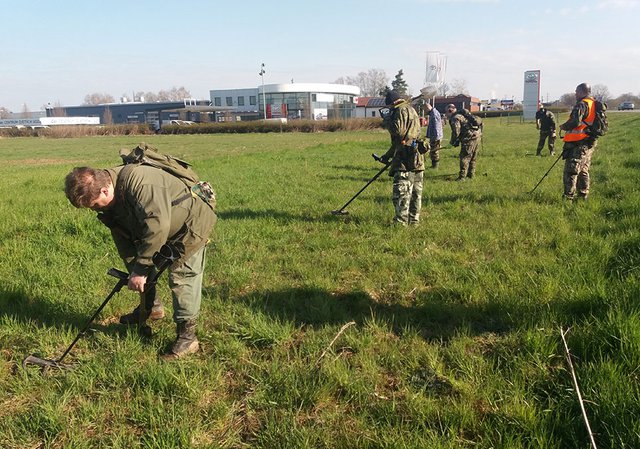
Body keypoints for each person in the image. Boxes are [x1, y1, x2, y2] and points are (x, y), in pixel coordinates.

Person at [64, 159, 216, 360]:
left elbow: (157, 227)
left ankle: (188, 338)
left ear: (104, 191)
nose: (94, 210)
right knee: (139, 265)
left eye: (94, 206)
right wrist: (134, 267)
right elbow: (122, 235)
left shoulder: (141, 183)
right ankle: (151, 308)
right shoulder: (110, 196)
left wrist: (141, 269)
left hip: (190, 224)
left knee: (182, 276)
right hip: (160, 225)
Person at [379, 90, 425, 225]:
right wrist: (387, 155)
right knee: (416, 193)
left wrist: (387, 121)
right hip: (417, 157)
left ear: (392, 102)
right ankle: (414, 221)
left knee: (401, 193)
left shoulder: (399, 111)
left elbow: (398, 133)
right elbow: (404, 138)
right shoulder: (412, 110)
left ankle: (400, 222)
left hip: (404, 159)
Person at [559, 82, 599, 201]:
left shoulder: (582, 104)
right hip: (589, 142)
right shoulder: (593, 103)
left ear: (582, 91)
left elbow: (575, 122)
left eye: (576, 91)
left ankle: (568, 198)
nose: (575, 93)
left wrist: (563, 126)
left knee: (571, 171)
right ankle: (583, 195)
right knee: (583, 170)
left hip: (579, 143)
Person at [445, 104, 482, 181]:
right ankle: (471, 174)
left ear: (450, 111)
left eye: (446, 113)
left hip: (469, 139)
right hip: (477, 136)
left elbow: (456, 132)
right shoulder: (463, 115)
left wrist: (451, 143)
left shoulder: (455, 118)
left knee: (464, 157)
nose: (446, 115)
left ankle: (462, 177)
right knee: (472, 158)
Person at [424, 102, 443, 168]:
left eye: (425, 109)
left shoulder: (434, 114)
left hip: (435, 136)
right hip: (434, 135)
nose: (425, 111)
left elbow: (436, 126)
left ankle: (435, 166)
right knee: (433, 151)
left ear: (428, 107)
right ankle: (434, 165)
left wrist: (436, 137)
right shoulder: (433, 113)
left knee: (434, 151)